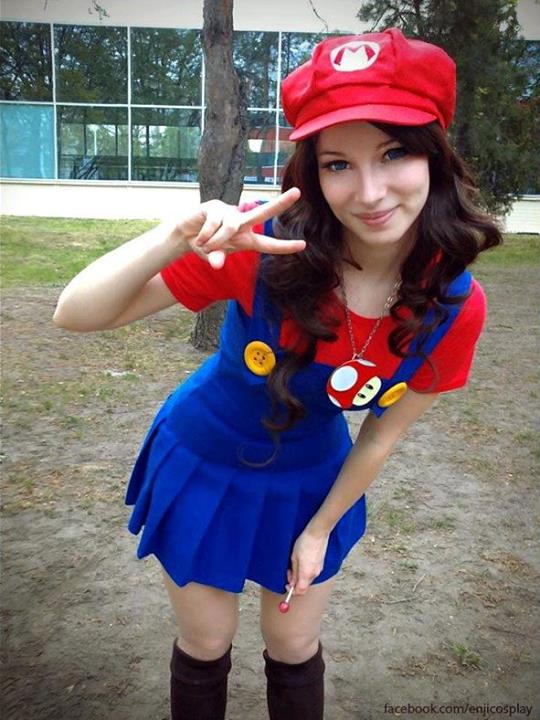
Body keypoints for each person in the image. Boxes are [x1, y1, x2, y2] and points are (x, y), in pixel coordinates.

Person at [53, 27, 502, 720]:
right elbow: (76, 314)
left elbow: (381, 434)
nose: (370, 191)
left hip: (312, 481)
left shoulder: (454, 306)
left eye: (394, 152)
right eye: (338, 164)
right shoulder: (265, 248)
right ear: (313, 174)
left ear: (435, 155)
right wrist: (175, 236)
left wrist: (320, 528)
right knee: (206, 642)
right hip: (202, 460)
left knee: (293, 643)